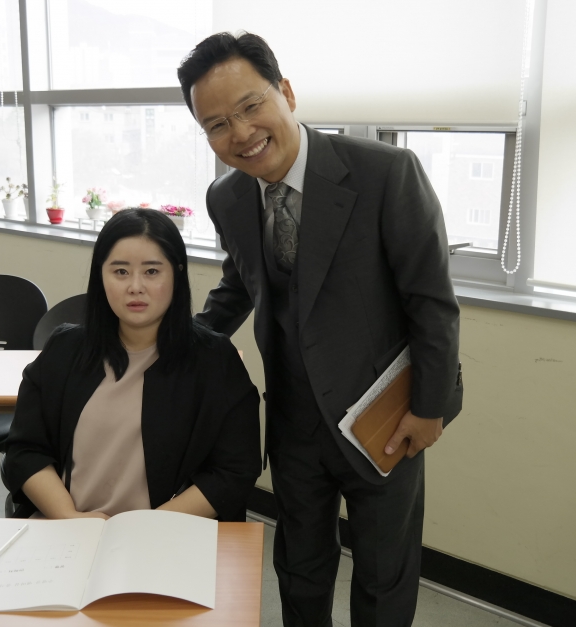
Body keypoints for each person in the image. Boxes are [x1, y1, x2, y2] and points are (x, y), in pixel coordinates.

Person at [178, 33, 464, 626]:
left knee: (384, 574)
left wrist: (430, 407)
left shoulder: (386, 173)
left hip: (385, 417)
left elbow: (432, 302)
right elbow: (240, 283)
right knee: (299, 567)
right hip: (293, 420)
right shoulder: (227, 196)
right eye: (217, 124)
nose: (241, 133)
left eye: (251, 106)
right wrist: (178, 344)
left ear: (286, 92)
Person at [3, 209, 262, 522]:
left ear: (177, 274)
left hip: (167, 532)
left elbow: (234, 470)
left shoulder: (214, 360)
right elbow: (25, 450)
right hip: (67, 529)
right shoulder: (65, 349)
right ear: (101, 276)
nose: (135, 287)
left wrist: (144, 528)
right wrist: (69, 517)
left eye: (152, 271)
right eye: (120, 271)